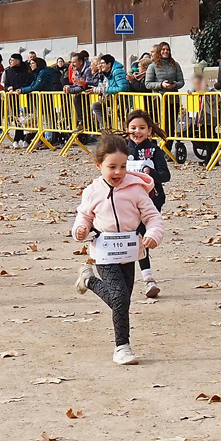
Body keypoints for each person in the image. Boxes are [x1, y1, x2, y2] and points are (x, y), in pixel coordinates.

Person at [73, 132, 164, 365]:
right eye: (111, 167)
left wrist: (153, 234)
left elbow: (152, 217)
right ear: (99, 165)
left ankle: (87, 280)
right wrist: (80, 229)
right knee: (120, 298)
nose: (118, 172)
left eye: (123, 166)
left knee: (123, 300)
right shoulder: (92, 191)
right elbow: (84, 216)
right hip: (104, 252)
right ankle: (122, 347)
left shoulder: (136, 190)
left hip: (129, 251)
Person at [124, 109, 170, 297]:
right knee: (130, 237)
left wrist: (151, 173)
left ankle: (148, 279)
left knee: (142, 236)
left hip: (151, 200)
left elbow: (165, 175)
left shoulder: (154, 150)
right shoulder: (122, 150)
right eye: (133, 128)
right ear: (127, 129)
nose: (138, 131)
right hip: (126, 201)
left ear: (149, 130)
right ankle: (125, 277)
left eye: (142, 128)